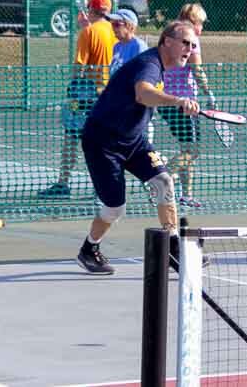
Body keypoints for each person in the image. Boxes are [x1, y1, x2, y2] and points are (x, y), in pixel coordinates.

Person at [76, 21, 201, 275]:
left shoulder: (162, 66)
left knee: (164, 181)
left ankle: (173, 250)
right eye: (185, 43)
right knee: (115, 208)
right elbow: (143, 94)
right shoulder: (150, 63)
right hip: (102, 143)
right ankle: (89, 249)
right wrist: (178, 101)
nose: (190, 49)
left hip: (133, 140)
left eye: (193, 45)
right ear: (167, 41)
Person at [39, 0, 118, 198]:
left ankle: (63, 184)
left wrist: (73, 89)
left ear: (91, 9)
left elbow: (79, 66)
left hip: (87, 92)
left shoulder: (88, 32)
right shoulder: (114, 30)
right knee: (102, 142)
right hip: (108, 93)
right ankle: (101, 186)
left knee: (71, 138)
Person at [157, 3, 216, 208]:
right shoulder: (191, 40)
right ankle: (161, 177)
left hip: (164, 100)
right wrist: (209, 93)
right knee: (192, 151)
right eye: (201, 24)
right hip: (184, 103)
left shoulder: (171, 34)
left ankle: (186, 195)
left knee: (187, 148)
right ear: (194, 21)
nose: (201, 29)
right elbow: (197, 69)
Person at [107, 8, 149, 76]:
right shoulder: (117, 46)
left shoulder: (138, 46)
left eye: (117, 25)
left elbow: (141, 75)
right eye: (112, 24)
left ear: (130, 26)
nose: (113, 28)